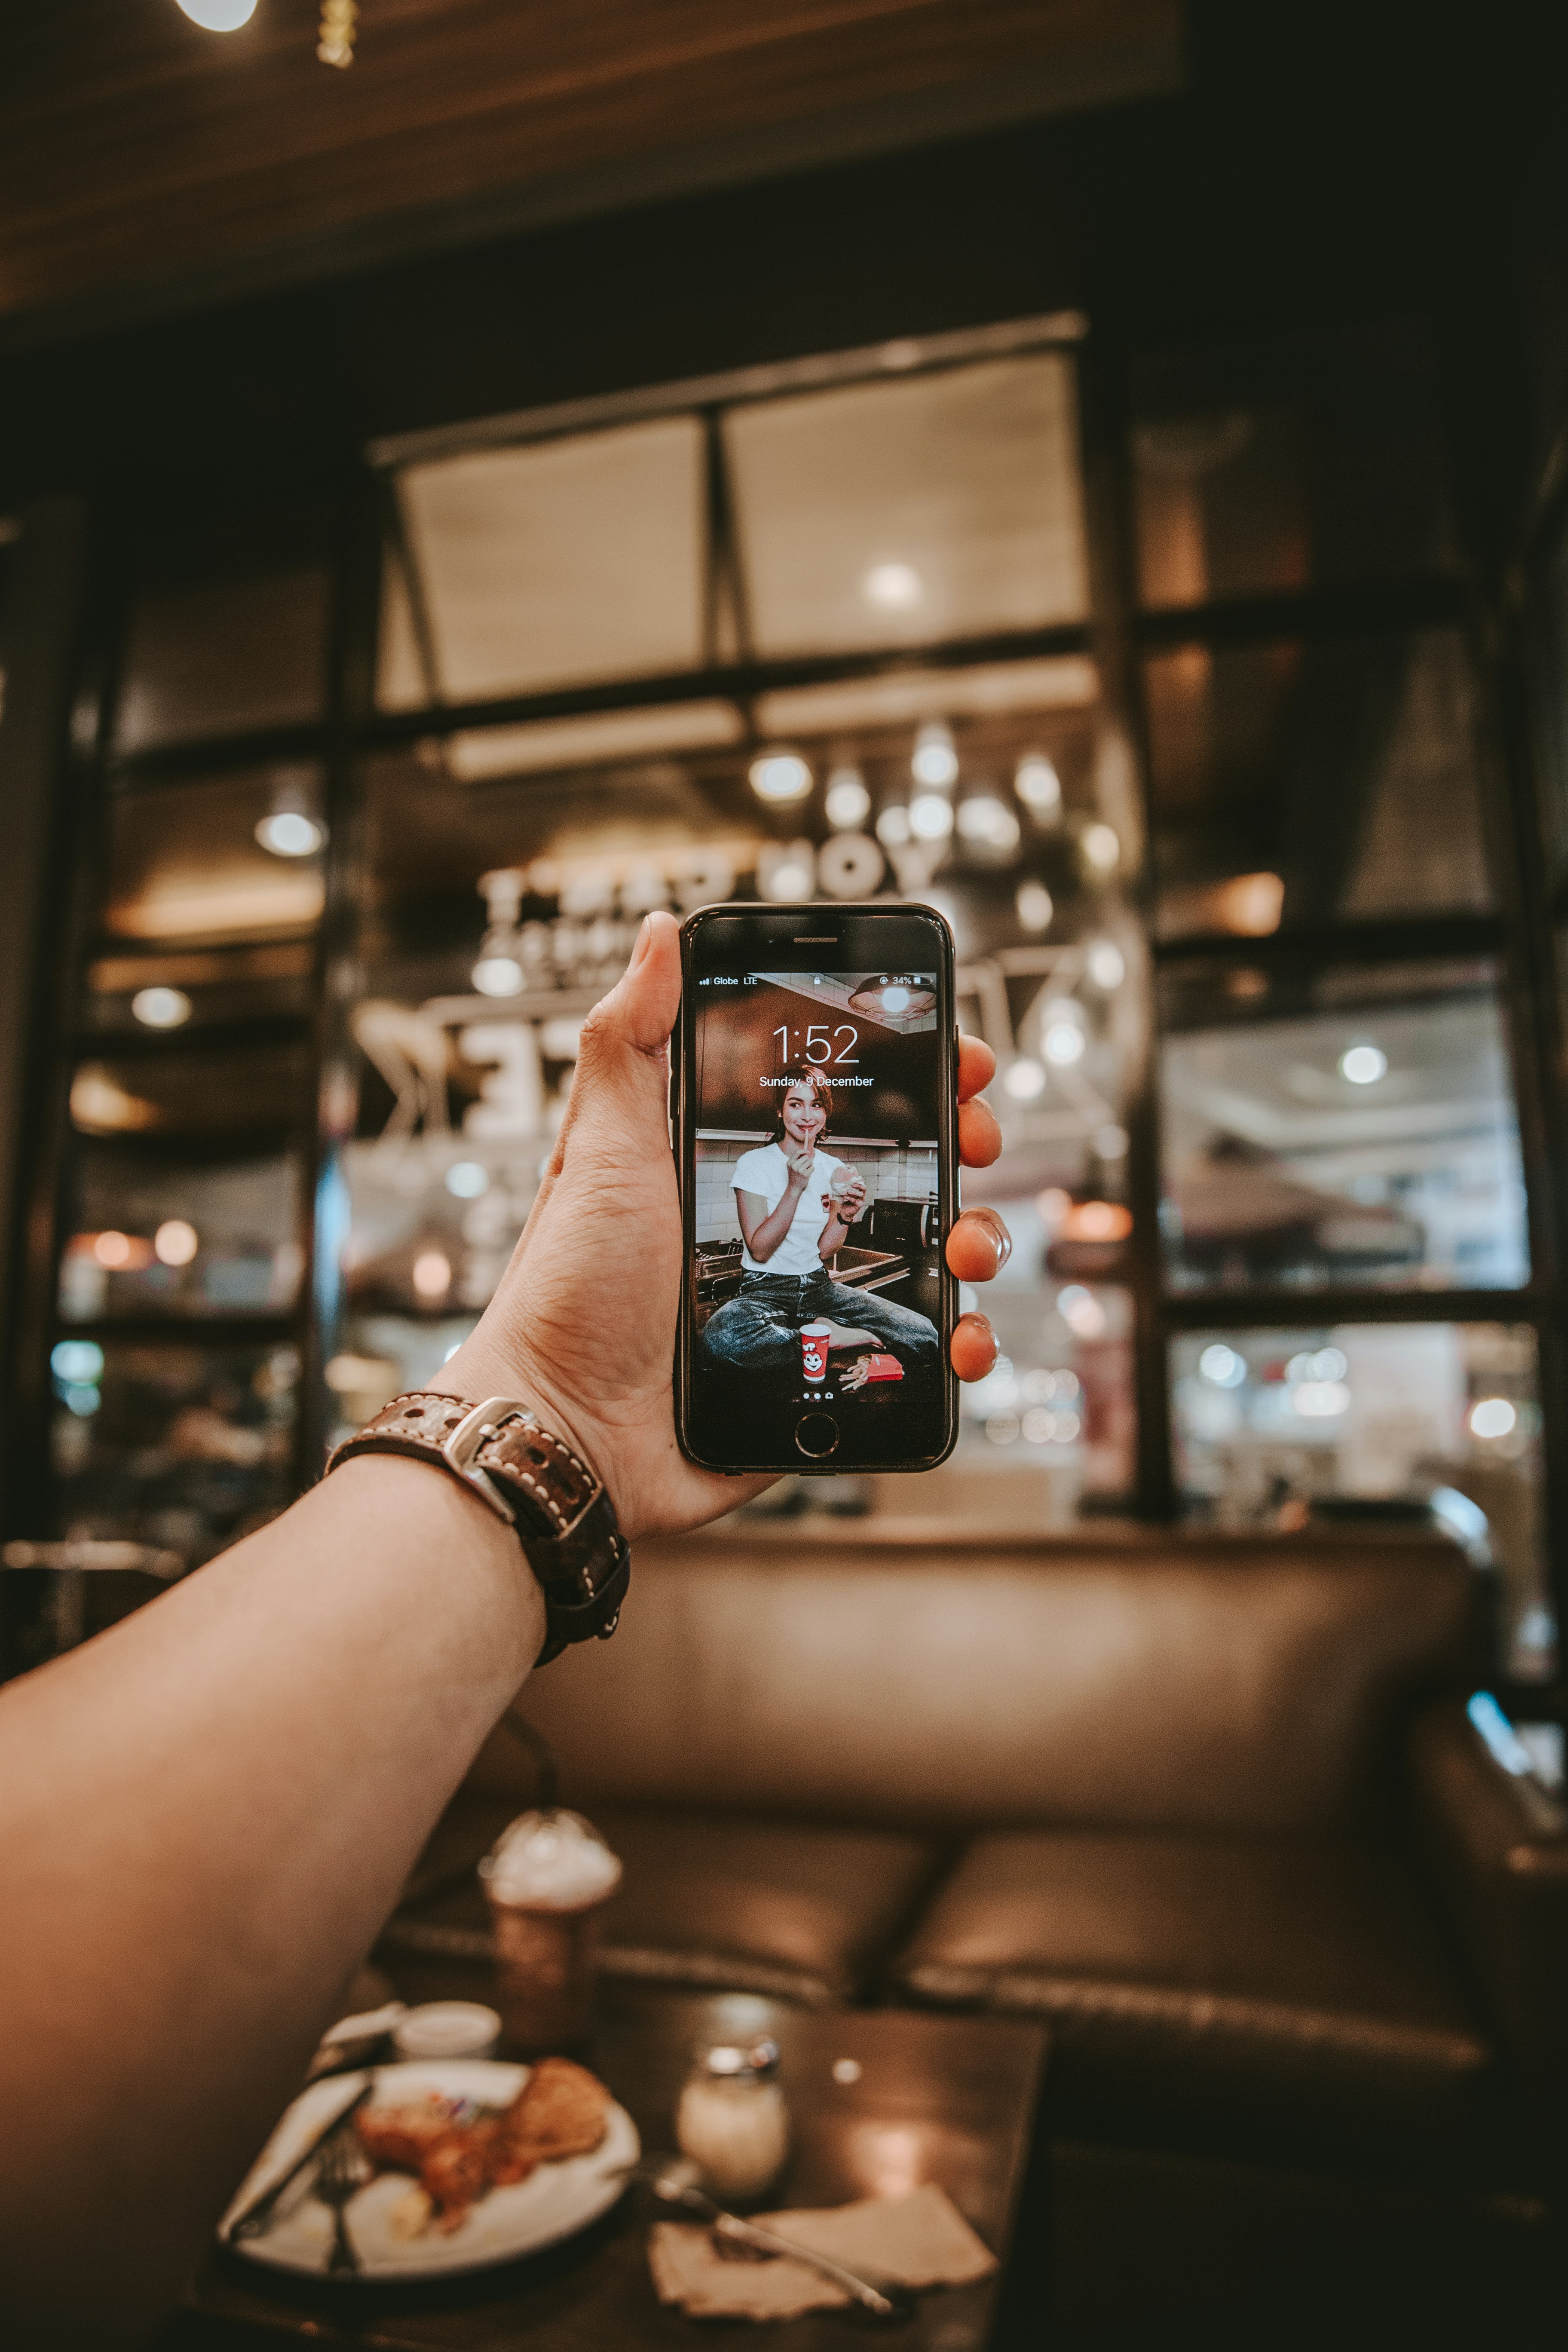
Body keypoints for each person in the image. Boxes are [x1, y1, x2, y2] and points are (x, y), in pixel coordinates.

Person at [0, 912, 1008, 2350]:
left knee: (911, 1341)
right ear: (769, 1103)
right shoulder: (743, 1178)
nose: (799, 1107)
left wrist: (575, 1397)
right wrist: (566, 1386)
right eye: (785, 1095)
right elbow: (768, 1255)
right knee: (798, 1331)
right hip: (749, 1307)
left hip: (799, 1309)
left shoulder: (837, 1164)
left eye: (812, 1097)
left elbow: (843, 1260)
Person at [699, 1063, 941, 1382]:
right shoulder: (754, 1163)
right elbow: (759, 1250)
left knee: (925, 1335)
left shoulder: (834, 1168)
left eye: (816, 1105)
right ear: (779, 1110)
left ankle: (818, 1337)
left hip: (818, 1287)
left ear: (826, 1112)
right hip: (763, 1289)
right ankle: (837, 1338)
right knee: (721, 1337)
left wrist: (846, 1216)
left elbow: (826, 1252)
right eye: (795, 1104)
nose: (806, 1116)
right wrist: (795, 1188)